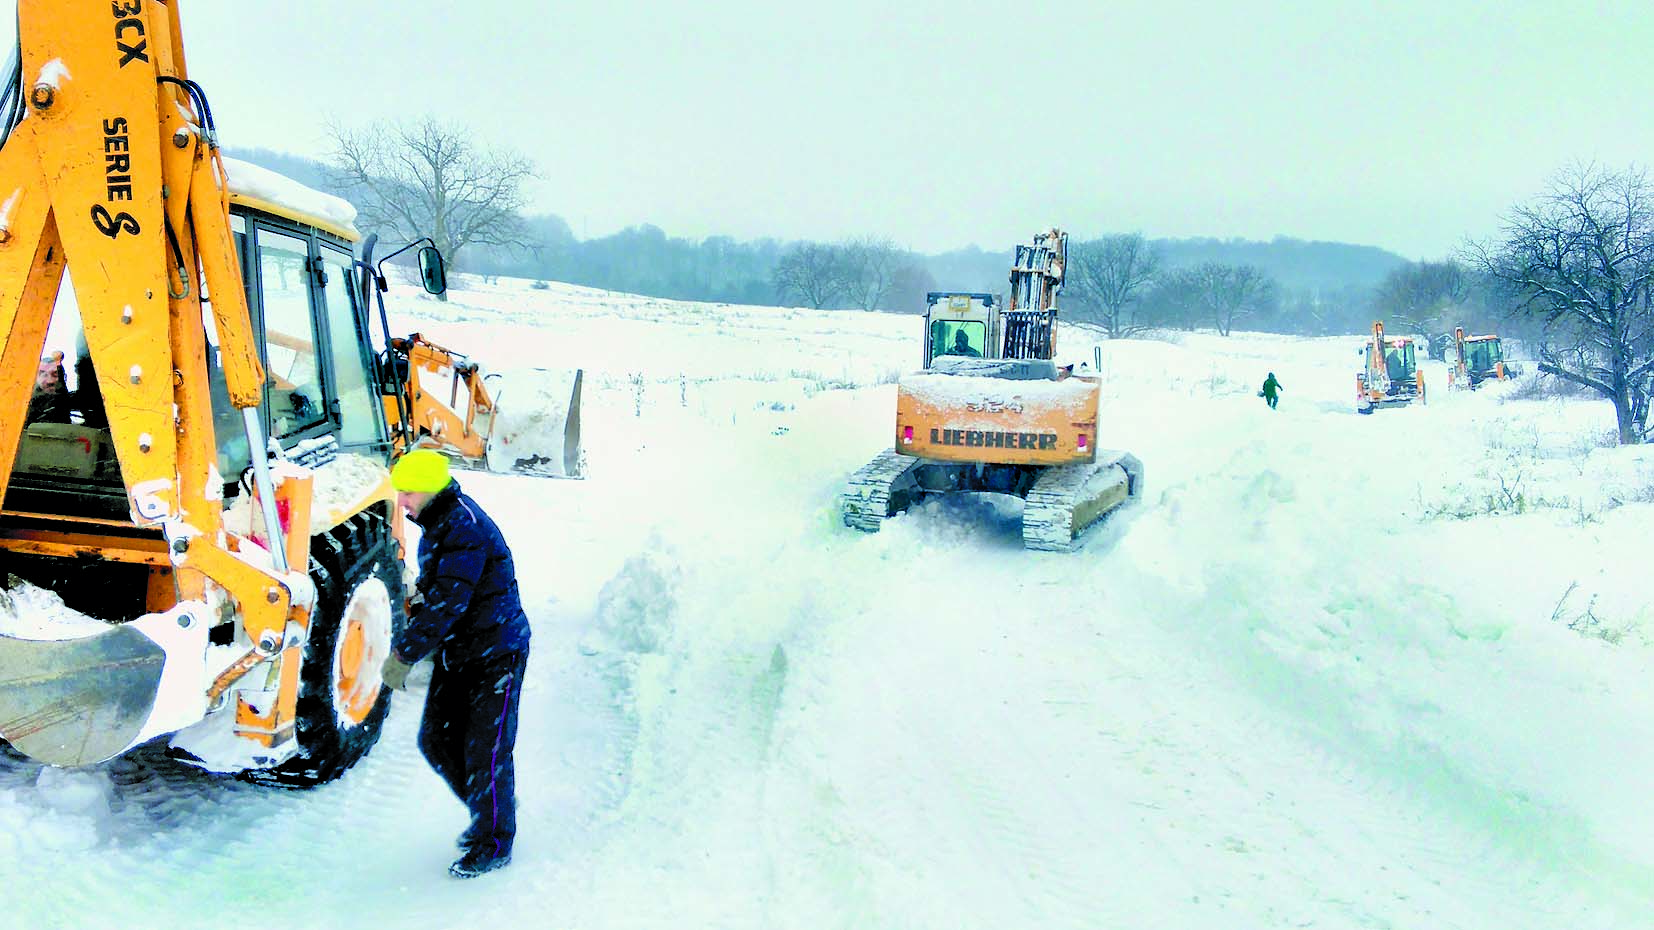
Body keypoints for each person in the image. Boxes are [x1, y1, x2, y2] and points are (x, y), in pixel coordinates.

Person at [379, 449, 531, 879]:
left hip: (497, 652)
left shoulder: (464, 526)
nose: (402, 501)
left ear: (429, 487)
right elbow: (439, 592)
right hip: (461, 650)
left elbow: (449, 602)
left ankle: (494, 841)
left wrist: (404, 655)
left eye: (407, 492)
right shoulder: (437, 521)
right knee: (436, 740)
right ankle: (493, 808)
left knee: (486, 751)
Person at [27, 352, 71, 424]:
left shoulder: (60, 394)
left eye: (54, 375)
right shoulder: (27, 401)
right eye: (43, 374)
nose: (49, 381)